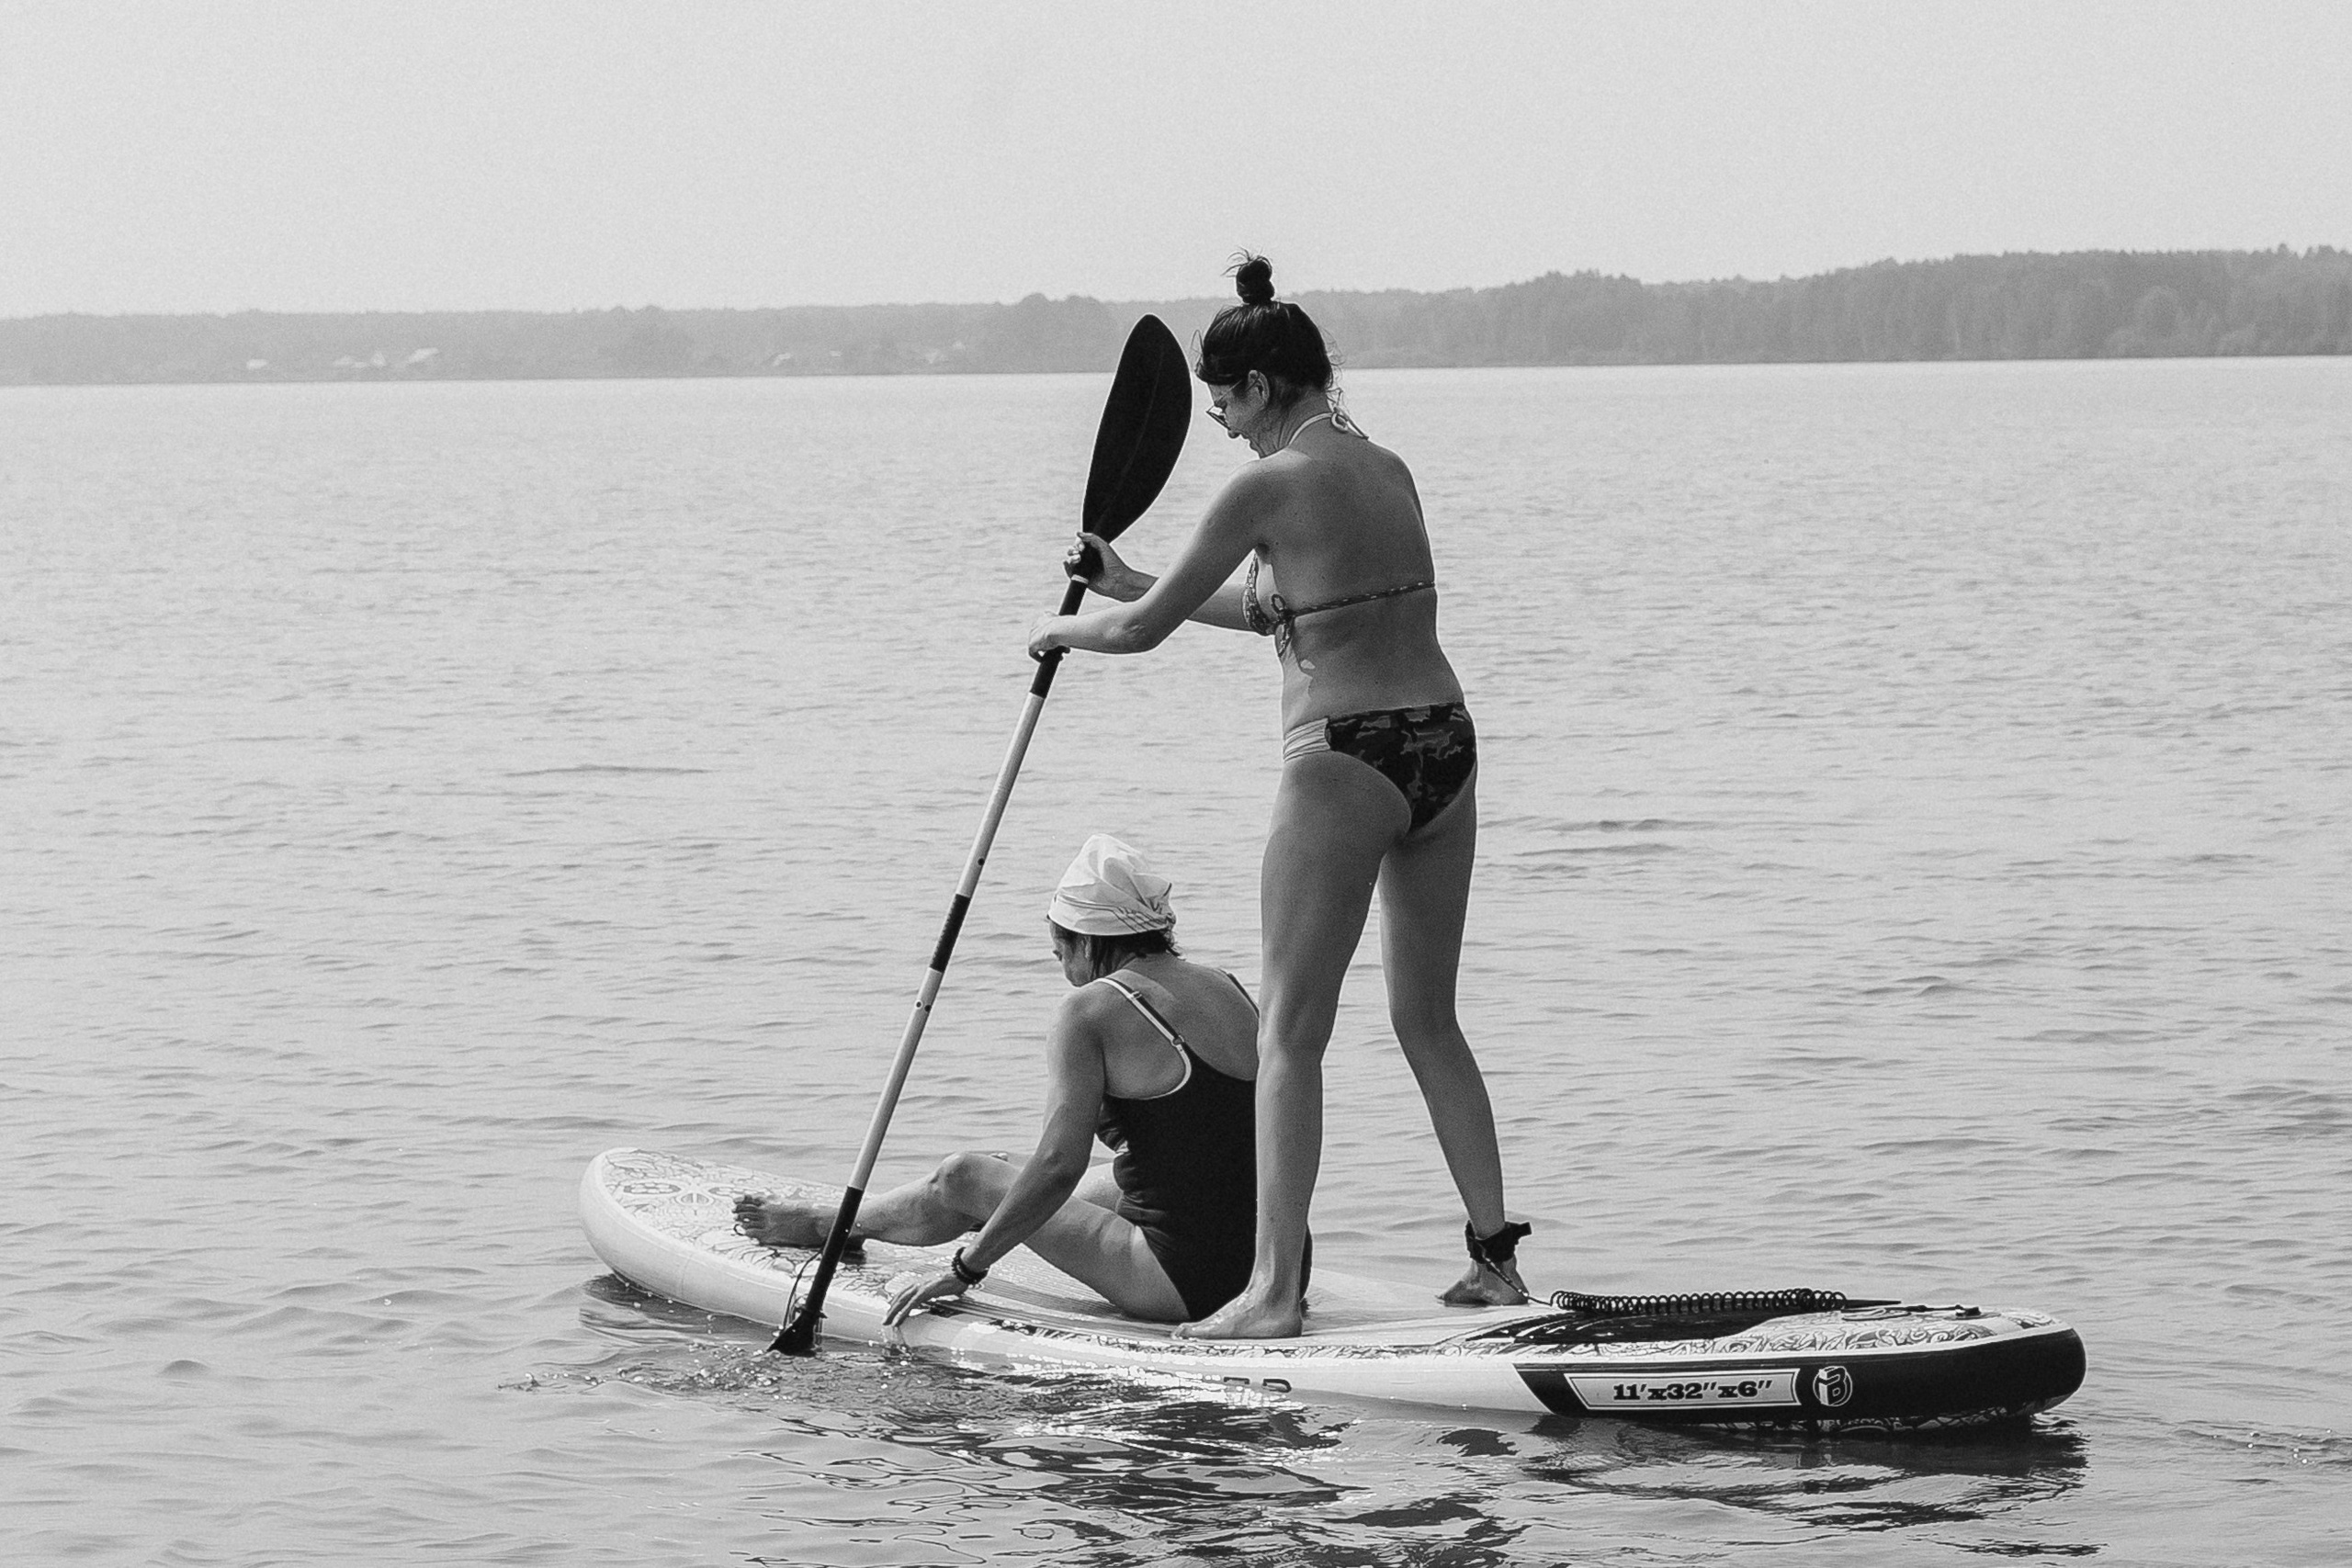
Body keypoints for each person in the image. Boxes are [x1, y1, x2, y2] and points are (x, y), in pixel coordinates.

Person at [1025, 254, 1528, 1338]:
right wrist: (1132, 579)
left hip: (1342, 756)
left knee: (1289, 1035)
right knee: (1427, 1018)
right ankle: (1495, 1261)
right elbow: (1286, 608)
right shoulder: (1387, 469)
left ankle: (1273, 1294)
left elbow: (1141, 634)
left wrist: (1063, 627)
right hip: (1443, 745)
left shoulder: (1265, 485)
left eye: (1224, 407)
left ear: (1258, 386)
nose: (1223, 429)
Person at [732, 835, 1268, 1326]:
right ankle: (852, 1222)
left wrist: (966, 1269)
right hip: (1265, 1266)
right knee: (1010, 1171)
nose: (1056, 957)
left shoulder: (1088, 1011)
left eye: (1060, 945)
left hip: (1178, 1281)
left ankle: (830, 1227)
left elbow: (1059, 1165)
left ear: (1086, 941)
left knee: (966, 1175)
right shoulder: (1226, 987)